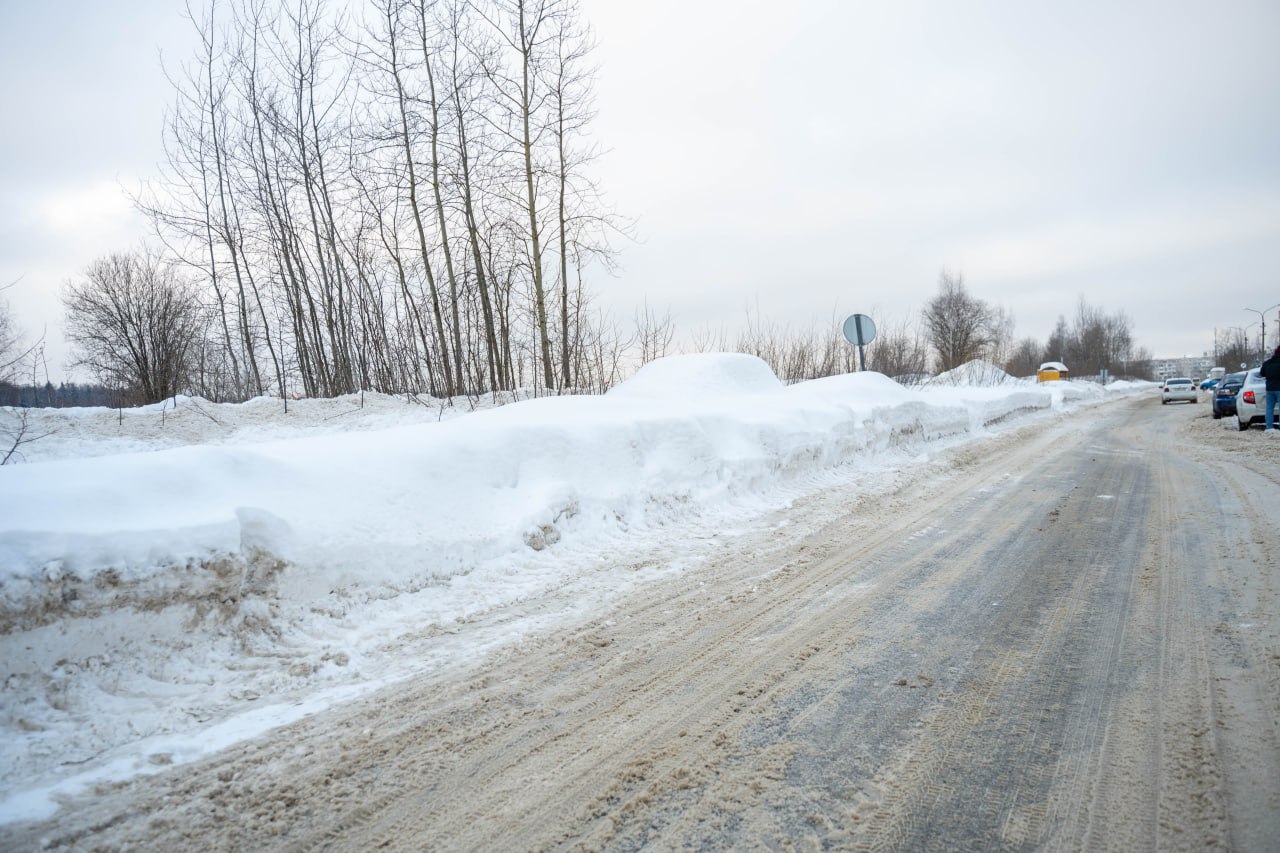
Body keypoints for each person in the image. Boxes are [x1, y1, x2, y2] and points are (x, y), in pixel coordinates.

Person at [1261, 345, 1280, 432]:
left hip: (1269, 388)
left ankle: (1269, 426)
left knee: (1269, 408)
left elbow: (1262, 373)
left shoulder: (1267, 363)